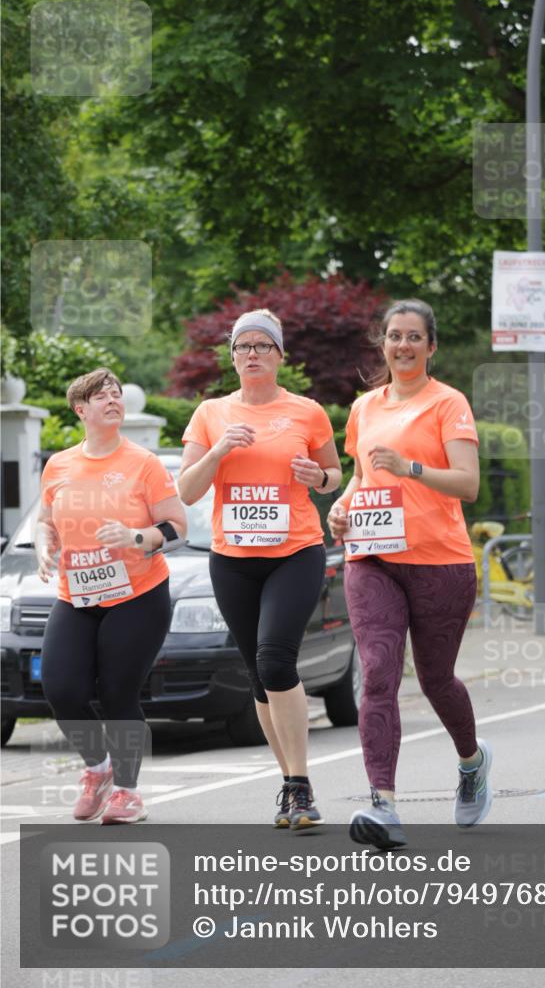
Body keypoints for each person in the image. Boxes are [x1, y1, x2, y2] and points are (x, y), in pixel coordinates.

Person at [327, 298, 491, 849]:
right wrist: (342, 506)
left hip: (440, 561)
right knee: (377, 674)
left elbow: (467, 483)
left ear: (431, 346)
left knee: (437, 680)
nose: (403, 345)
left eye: (414, 336)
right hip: (372, 558)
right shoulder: (363, 409)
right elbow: (359, 477)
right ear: (384, 343)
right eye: (394, 335)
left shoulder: (449, 404)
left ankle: (470, 763)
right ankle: (384, 805)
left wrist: (412, 468)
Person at [178, 309, 342, 829]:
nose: (252, 354)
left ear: (279, 355)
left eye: (263, 346)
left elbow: (335, 475)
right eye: (243, 346)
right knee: (256, 675)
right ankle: (290, 784)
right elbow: (186, 491)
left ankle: (300, 784)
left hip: (295, 551)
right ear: (232, 356)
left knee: (275, 661)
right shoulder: (211, 414)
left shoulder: (307, 411)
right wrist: (220, 450)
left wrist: (318, 476)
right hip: (233, 559)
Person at [36, 368, 187, 824]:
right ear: (81, 409)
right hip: (76, 593)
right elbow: (45, 521)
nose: (113, 399)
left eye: (117, 393)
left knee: (119, 690)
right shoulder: (59, 464)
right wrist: (45, 548)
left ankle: (127, 792)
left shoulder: (143, 463)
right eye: (102, 395)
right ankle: (97, 769)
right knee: (62, 688)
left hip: (137, 593)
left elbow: (177, 527)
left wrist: (136, 538)